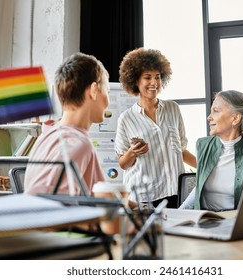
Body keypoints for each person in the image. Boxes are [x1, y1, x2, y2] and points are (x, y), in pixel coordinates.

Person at [115, 48, 196, 209]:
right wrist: (133, 151)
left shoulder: (173, 109)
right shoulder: (126, 118)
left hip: (175, 192)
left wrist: (205, 167)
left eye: (157, 77)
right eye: (147, 78)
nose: (154, 83)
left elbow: (181, 150)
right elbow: (123, 163)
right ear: (135, 81)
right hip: (144, 196)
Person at [24, 52, 109, 195]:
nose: (108, 100)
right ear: (94, 91)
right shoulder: (76, 143)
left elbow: (97, 194)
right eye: (107, 90)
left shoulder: (49, 134)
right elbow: (45, 198)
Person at [179, 90, 243, 211]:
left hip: (235, 222)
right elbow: (199, 187)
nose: (209, 117)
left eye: (215, 111)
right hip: (204, 221)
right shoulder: (203, 145)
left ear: (236, 118)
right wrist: (178, 212)